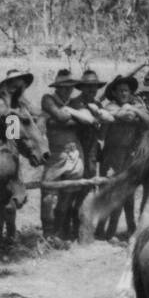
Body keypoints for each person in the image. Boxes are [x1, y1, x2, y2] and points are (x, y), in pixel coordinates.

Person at [40, 70, 99, 239]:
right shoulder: (48, 99)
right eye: (63, 87)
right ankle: (47, 234)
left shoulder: (73, 103)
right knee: (49, 195)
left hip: (74, 153)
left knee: (68, 194)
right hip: (56, 153)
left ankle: (59, 233)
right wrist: (74, 117)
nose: (67, 90)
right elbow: (61, 117)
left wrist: (70, 112)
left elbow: (89, 120)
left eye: (70, 87)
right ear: (57, 87)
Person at [99, 74, 149, 241]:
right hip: (112, 154)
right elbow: (121, 118)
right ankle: (102, 230)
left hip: (130, 155)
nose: (124, 93)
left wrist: (137, 110)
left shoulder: (136, 107)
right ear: (114, 93)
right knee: (110, 192)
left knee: (128, 193)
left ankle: (126, 228)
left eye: (126, 90)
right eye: (120, 91)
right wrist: (130, 112)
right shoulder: (110, 107)